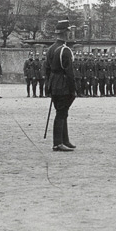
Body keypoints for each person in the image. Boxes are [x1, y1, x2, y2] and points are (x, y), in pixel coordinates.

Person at [45, 20, 77, 152]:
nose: (70, 34)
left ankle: (65, 140)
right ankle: (58, 143)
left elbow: (46, 69)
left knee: (63, 112)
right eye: (69, 32)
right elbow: (69, 72)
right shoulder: (65, 50)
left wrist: (49, 85)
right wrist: (73, 88)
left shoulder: (51, 49)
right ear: (65, 33)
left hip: (54, 83)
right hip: (63, 84)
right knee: (61, 113)